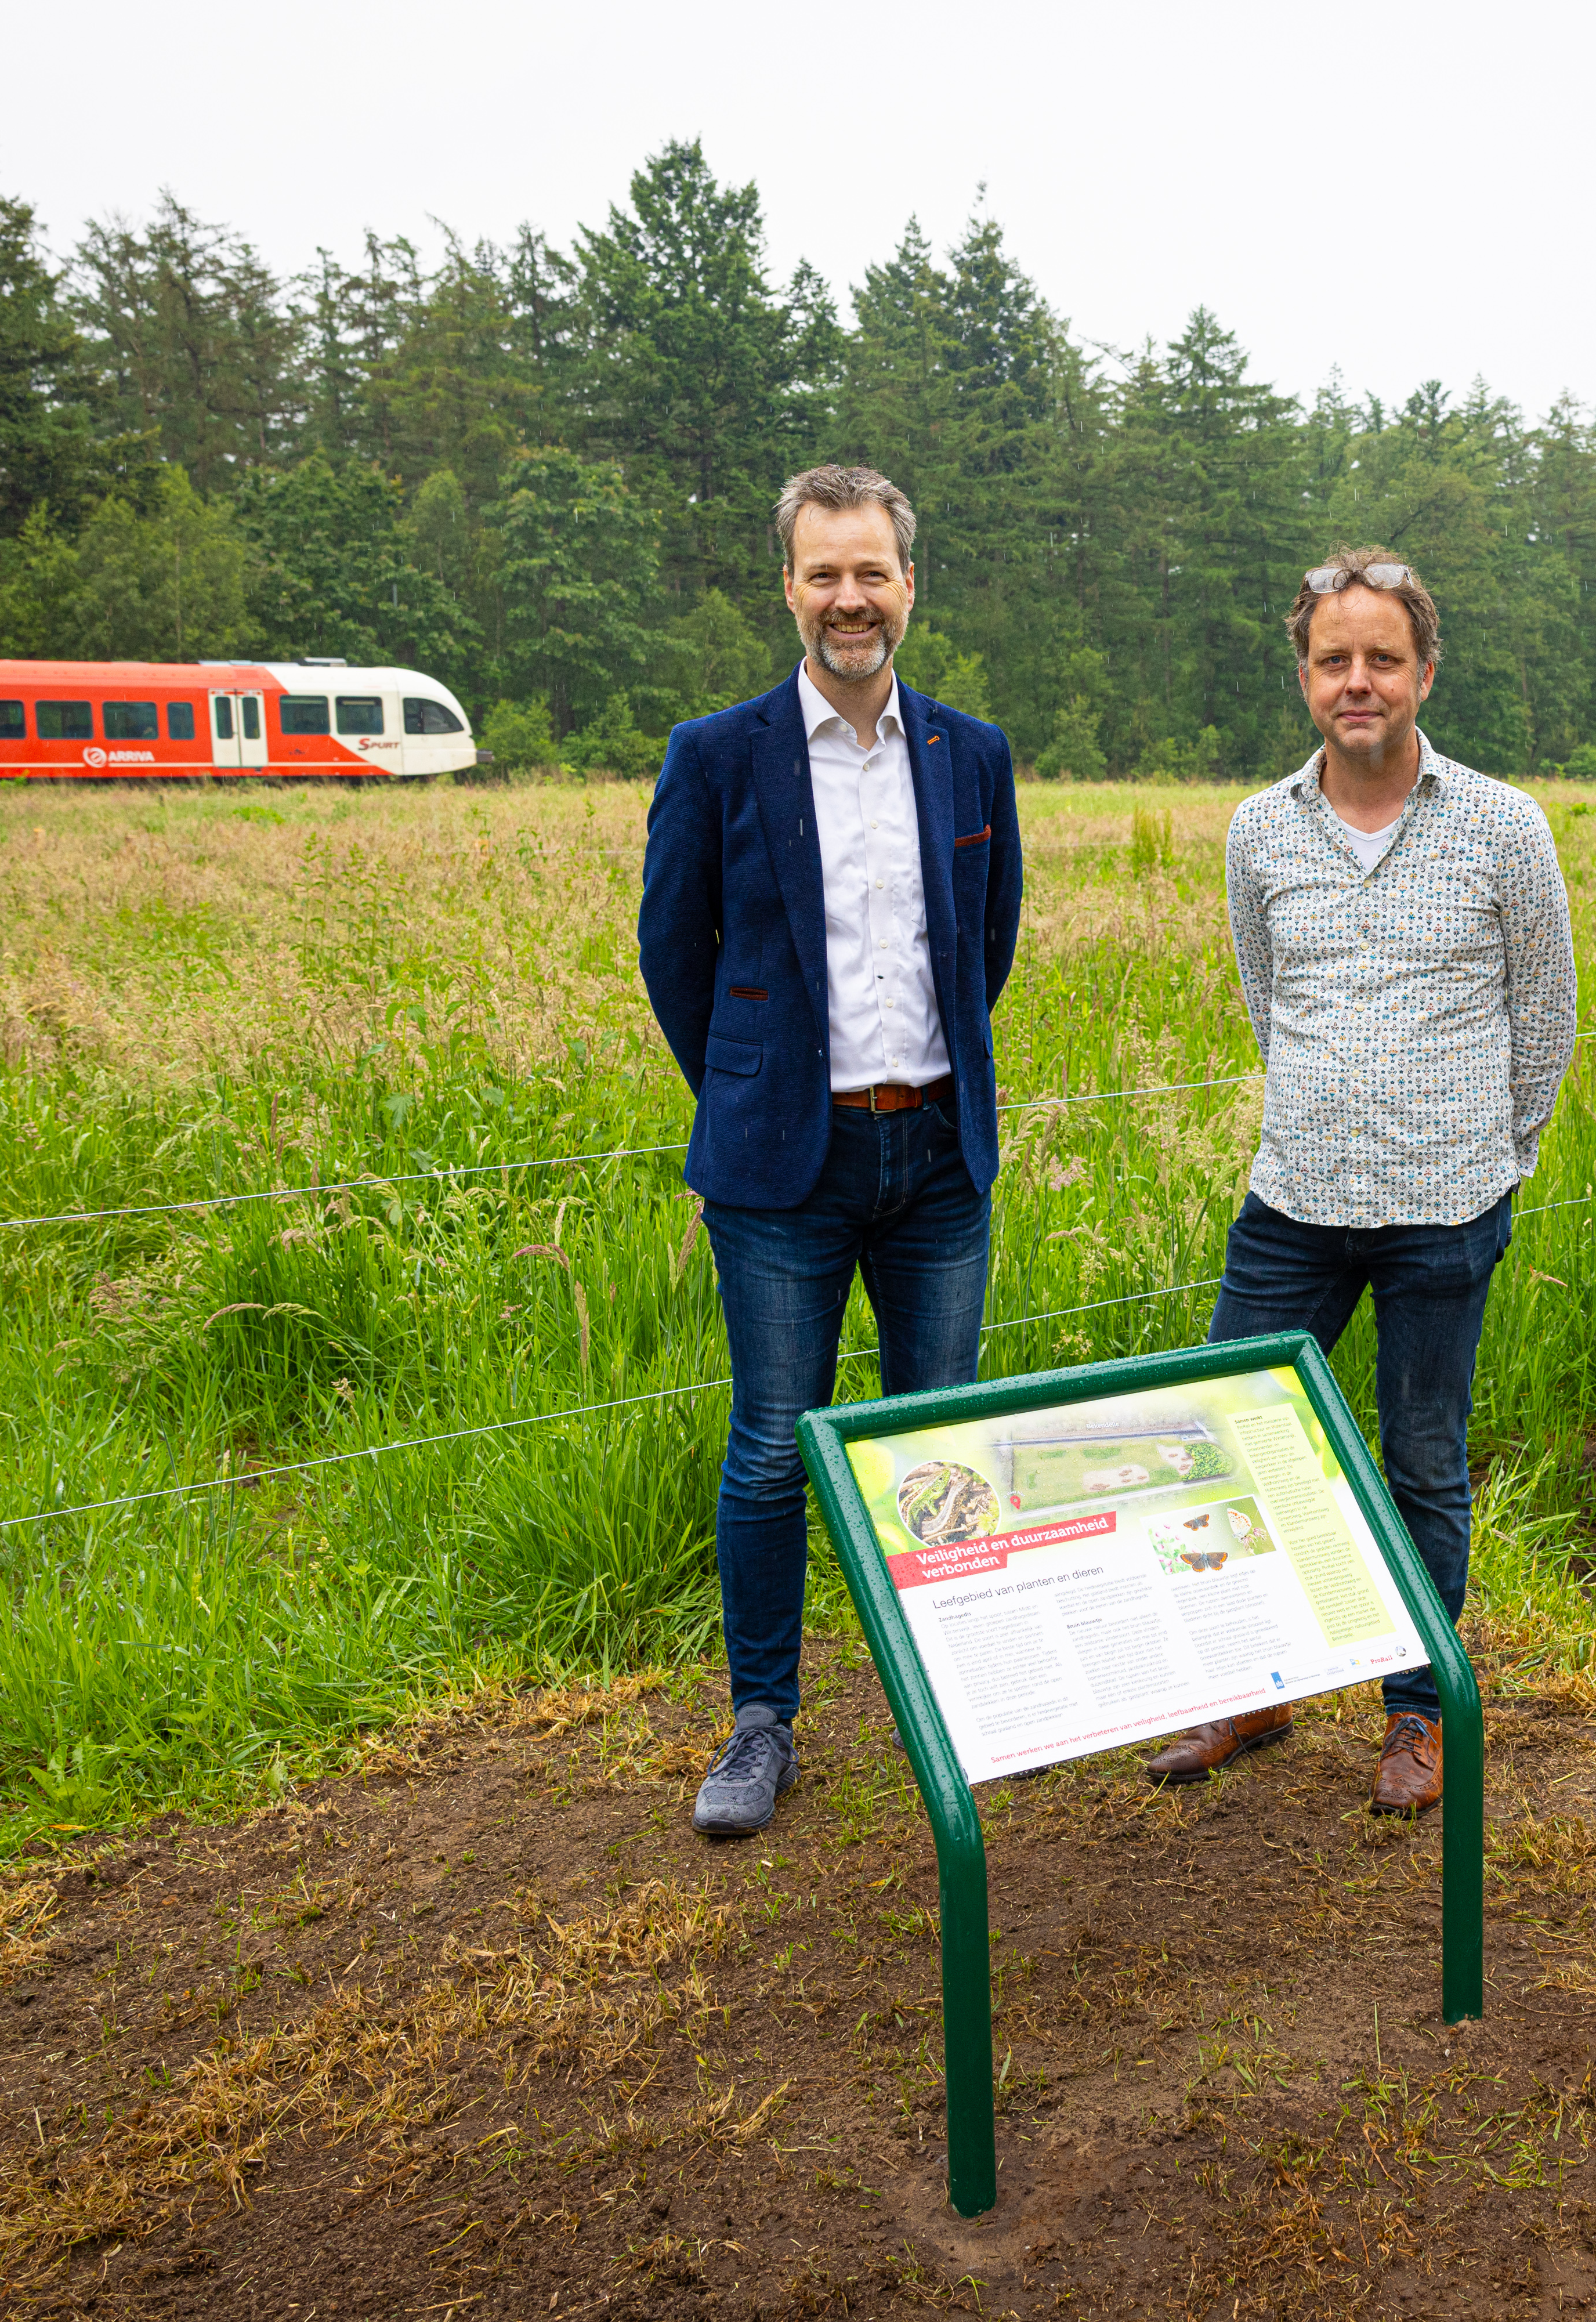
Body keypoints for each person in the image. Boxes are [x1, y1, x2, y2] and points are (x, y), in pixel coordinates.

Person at [1138, 549, 1577, 1815]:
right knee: (1236, 1439)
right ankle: (1253, 1684)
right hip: (1295, 1206)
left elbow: (1543, 1015)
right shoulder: (1259, 829)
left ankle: (1417, 1714)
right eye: (1336, 659)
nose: (1359, 681)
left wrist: (1499, 1160)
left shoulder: (1503, 826)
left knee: (1422, 1465)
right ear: (1306, 676)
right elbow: (1266, 999)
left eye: (1383, 657)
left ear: (1424, 672)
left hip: (1448, 1208)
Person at [639, 464, 1023, 1839]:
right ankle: (762, 1724)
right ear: (789, 586)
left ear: (910, 585)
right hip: (779, 1174)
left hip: (935, 1157)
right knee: (769, 1450)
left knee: (942, 1441)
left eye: (872, 573)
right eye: (824, 574)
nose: (849, 599)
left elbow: (988, 944)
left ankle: (956, 1701)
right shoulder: (718, 755)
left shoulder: (971, 754)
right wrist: (757, 1092)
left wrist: (912, 1091)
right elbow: (674, 956)